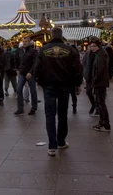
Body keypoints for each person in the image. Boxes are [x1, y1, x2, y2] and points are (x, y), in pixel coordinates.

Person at [33, 27, 82, 157]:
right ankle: (61, 141)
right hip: (65, 86)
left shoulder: (43, 50)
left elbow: (37, 68)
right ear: (61, 36)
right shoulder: (70, 49)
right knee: (62, 114)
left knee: (50, 115)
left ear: (51, 35)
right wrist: (77, 84)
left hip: (48, 86)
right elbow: (77, 68)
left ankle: (52, 146)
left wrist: (40, 81)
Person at [90, 37, 111, 132]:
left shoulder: (101, 55)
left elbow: (99, 70)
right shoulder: (99, 53)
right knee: (100, 103)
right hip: (101, 82)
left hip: (100, 83)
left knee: (101, 103)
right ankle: (103, 123)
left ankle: (105, 124)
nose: (92, 48)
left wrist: (94, 81)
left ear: (98, 46)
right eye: (91, 46)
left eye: (94, 46)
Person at [15, 36, 38, 116]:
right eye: (23, 41)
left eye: (26, 41)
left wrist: (31, 72)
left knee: (33, 92)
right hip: (22, 73)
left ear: (29, 42)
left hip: (30, 74)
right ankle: (20, 108)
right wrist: (17, 70)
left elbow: (35, 63)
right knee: (18, 89)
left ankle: (34, 108)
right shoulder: (19, 50)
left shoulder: (33, 51)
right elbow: (17, 61)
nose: (24, 42)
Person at [82, 46, 97, 116]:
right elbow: (84, 64)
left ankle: (97, 108)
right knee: (88, 91)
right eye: (90, 47)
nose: (92, 48)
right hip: (89, 76)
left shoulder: (98, 54)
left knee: (97, 94)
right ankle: (93, 104)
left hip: (96, 76)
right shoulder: (86, 55)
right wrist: (85, 73)